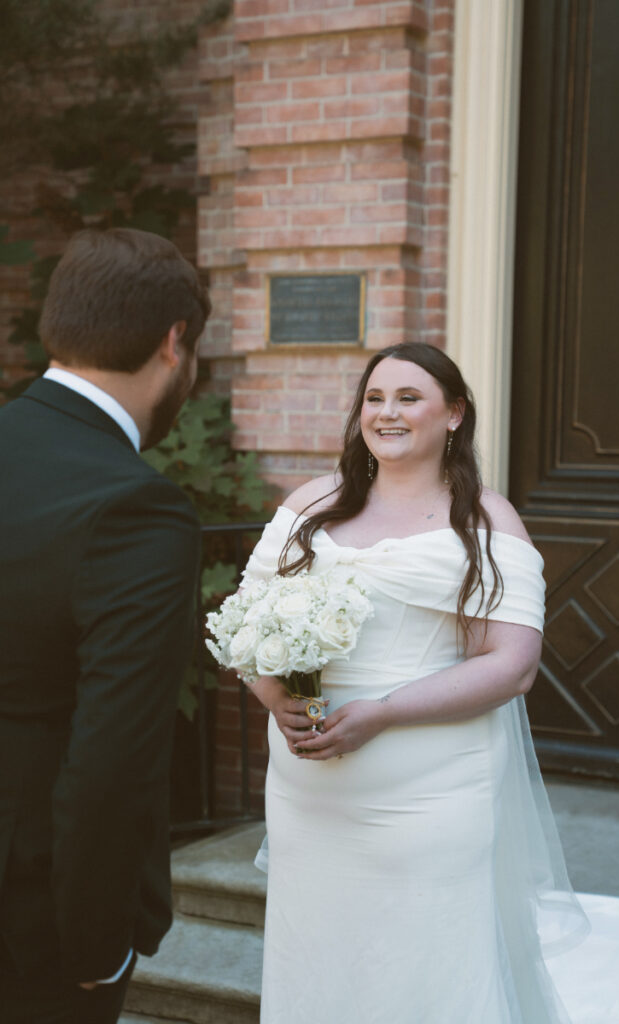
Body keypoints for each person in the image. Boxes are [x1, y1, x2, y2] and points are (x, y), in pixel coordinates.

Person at [242, 342, 589, 1023]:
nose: (386, 412)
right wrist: (275, 696)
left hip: (431, 789)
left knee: (427, 957)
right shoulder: (311, 504)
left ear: (454, 414)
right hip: (308, 789)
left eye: (408, 398)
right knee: (317, 950)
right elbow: (248, 624)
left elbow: (511, 665)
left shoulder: (486, 522)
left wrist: (382, 714)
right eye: (374, 398)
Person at [0, 227, 210, 1023]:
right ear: (173, 342)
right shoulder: (136, 508)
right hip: (32, 921)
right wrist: (96, 943)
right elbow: (114, 753)